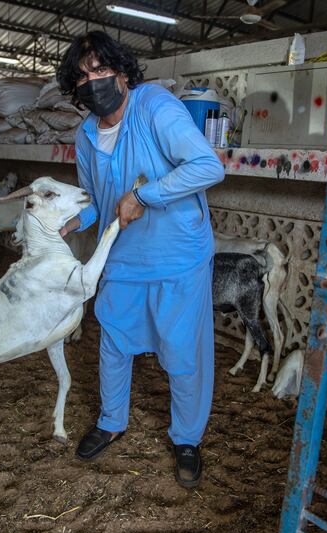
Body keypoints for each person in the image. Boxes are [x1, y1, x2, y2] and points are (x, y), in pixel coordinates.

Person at [57, 31, 224, 488]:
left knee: (182, 353)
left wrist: (144, 195)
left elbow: (208, 166)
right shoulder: (86, 135)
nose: (94, 81)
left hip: (176, 254)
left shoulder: (154, 105)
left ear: (124, 72)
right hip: (124, 256)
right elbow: (98, 197)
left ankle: (187, 438)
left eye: (101, 70)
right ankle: (112, 421)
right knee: (112, 339)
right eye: (83, 76)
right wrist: (77, 219)